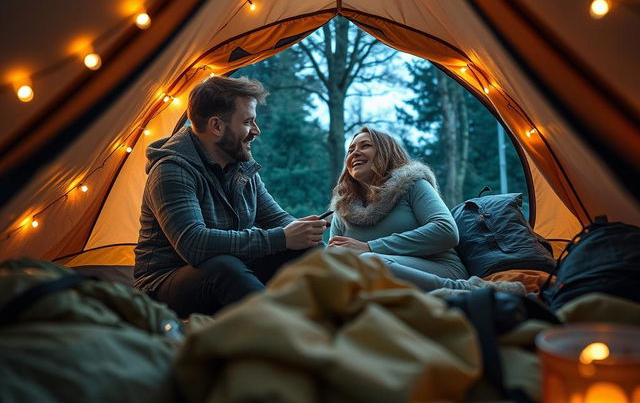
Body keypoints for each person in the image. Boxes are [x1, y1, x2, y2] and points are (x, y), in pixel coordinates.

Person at [134, 76, 327, 317]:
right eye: (248, 122)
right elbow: (194, 244)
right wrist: (280, 238)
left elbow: (278, 219)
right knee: (224, 268)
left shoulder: (242, 169)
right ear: (216, 126)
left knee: (308, 250)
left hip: (229, 266)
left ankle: (330, 324)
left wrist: (303, 232)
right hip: (162, 284)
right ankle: (285, 333)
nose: (256, 131)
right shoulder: (171, 170)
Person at [328, 127, 525, 295]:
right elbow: (335, 260)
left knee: (370, 261)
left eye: (365, 146)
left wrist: (370, 247)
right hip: (375, 281)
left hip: (440, 270)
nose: (354, 153)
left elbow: (446, 231)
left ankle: (472, 290)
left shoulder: (412, 185)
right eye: (351, 149)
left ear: (386, 152)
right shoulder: (343, 208)